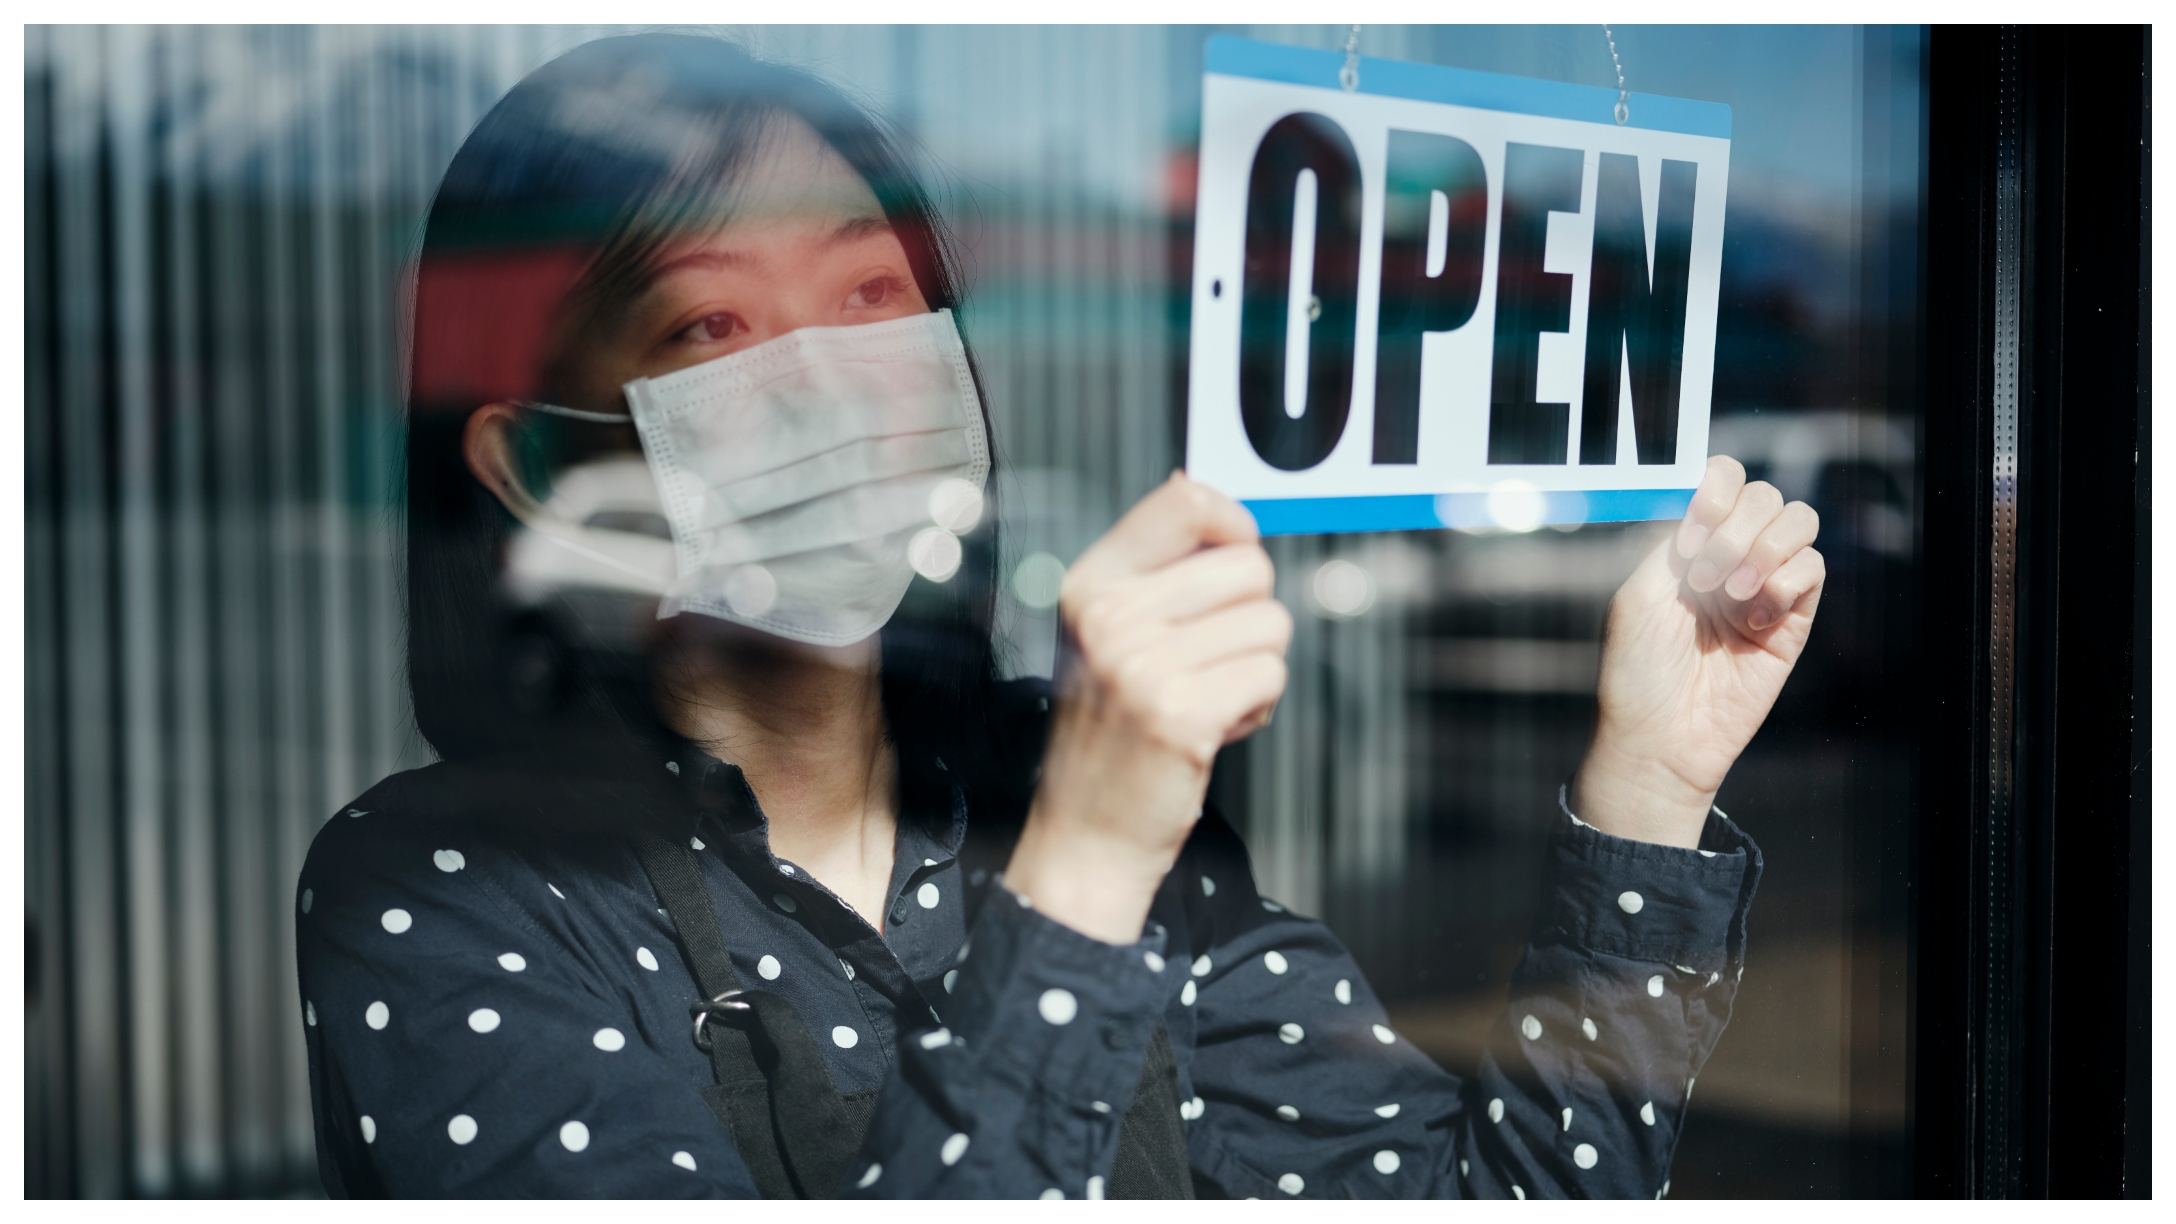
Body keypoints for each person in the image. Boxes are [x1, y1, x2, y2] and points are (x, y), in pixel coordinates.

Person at [295, 33, 1825, 1199]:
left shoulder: (1060, 805)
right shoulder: (448, 888)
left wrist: (1649, 785)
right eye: (713, 323)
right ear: (538, 457)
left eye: (876, 294)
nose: (834, 377)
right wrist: (1086, 862)